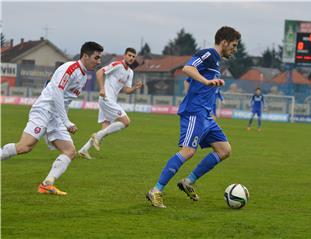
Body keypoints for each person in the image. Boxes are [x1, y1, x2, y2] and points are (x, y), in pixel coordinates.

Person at [146, 26, 240, 208]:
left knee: (224, 150)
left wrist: (208, 94)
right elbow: (187, 68)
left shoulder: (216, 62)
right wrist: (206, 82)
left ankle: (188, 181)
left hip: (205, 115)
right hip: (195, 113)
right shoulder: (209, 54)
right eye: (234, 45)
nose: (235, 49)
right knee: (188, 151)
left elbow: (190, 82)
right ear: (224, 42)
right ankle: (156, 190)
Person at [0, 42, 103, 195]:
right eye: (96, 57)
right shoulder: (71, 68)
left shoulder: (82, 75)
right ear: (85, 56)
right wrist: (66, 121)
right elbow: (56, 93)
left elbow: (55, 89)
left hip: (56, 116)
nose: (99, 61)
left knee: (69, 151)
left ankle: (46, 184)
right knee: (25, 147)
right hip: (44, 111)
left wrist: (63, 119)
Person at [78, 48, 143, 159]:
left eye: (133, 56)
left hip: (112, 100)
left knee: (105, 130)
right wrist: (102, 89)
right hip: (106, 98)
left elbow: (126, 90)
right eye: (129, 55)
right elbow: (99, 72)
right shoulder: (117, 65)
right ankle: (96, 136)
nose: (131, 58)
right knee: (126, 122)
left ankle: (84, 150)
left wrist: (135, 88)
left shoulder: (130, 72)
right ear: (124, 55)